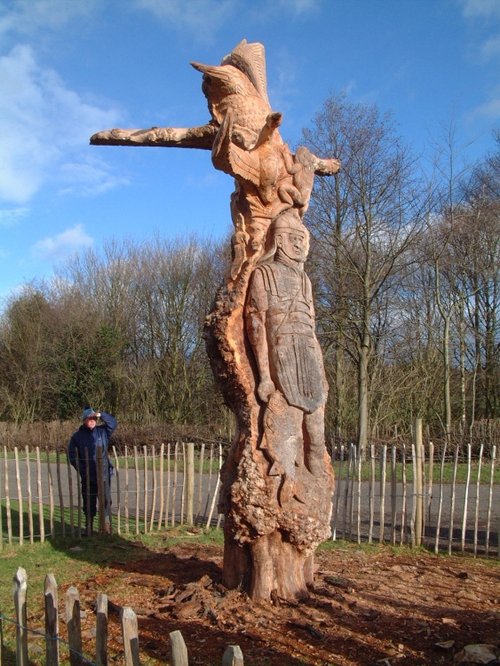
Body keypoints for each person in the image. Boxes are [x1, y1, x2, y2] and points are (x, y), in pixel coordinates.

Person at [245, 209, 328, 483]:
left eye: (303, 240)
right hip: (283, 356)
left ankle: (312, 493)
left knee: (316, 437)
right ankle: (289, 487)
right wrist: (265, 377)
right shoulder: (264, 274)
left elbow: (312, 328)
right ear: (280, 241)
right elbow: (256, 327)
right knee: (288, 433)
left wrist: (322, 372)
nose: (301, 246)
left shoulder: (305, 281)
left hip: (309, 356)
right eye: (296, 239)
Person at [68, 407, 117, 534]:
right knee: (89, 501)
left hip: (104, 473)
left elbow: (113, 423)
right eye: (90, 418)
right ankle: (89, 525)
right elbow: (72, 455)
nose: (92, 420)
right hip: (88, 475)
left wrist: (101, 414)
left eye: (94, 418)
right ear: (84, 420)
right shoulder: (77, 437)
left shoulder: (103, 432)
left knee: (106, 500)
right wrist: (83, 471)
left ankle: (106, 525)